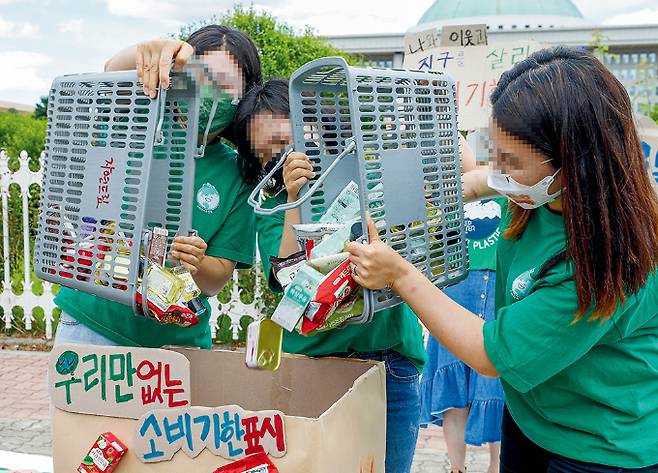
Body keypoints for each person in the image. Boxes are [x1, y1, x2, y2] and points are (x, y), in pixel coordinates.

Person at [347, 46, 658, 472]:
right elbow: (481, 182)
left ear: (573, 165)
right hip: (534, 418)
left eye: (511, 163)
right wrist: (450, 189)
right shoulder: (544, 194)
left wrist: (400, 274)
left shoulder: (611, 259)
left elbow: (488, 353)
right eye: (495, 153)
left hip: (601, 447)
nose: (500, 171)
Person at [233, 79, 477, 473]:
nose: (282, 157)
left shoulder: (367, 170)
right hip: (318, 364)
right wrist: (296, 199)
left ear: (313, 123)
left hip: (390, 359)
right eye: (268, 154)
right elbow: (289, 282)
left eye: (286, 140)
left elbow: (462, 172)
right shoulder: (274, 206)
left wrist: (432, 113)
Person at [54, 25, 264, 349]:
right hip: (91, 321)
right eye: (203, 78)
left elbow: (215, 280)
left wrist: (198, 260)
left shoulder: (238, 173)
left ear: (245, 97)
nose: (212, 93)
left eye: (226, 85)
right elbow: (112, 70)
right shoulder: (139, 118)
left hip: (175, 341)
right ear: (180, 75)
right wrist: (153, 49)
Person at [420, 197, 506, 473]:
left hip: (500, 287)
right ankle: (457, 468)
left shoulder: (513, 188)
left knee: (499, 385)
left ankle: (497, 466)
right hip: (456, 285)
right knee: (452, 386)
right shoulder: (449, 188)